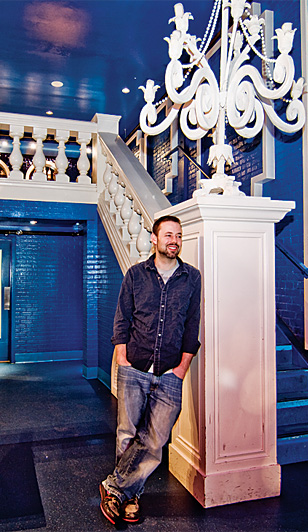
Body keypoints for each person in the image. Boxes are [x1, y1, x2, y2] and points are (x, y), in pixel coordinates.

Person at [99, 215, 202, 525]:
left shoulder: (192, 278)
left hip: (170, 372)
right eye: (168, 235)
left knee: (155, 441)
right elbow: (122, 317)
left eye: (178, 236)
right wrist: (122, 356)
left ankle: (115, 488)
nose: (174, 240)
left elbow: (192, 324)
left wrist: (183, 367)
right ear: (154, 239)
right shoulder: (135, 275)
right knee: (127, 435)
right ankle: (130, 497)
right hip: (135, 366)